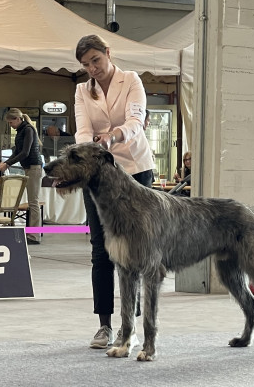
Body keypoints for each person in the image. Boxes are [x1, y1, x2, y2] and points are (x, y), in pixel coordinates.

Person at [74, 34, 154, 349]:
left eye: (95, 60)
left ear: (108, 53)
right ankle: (104, 325)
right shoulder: (82, 90)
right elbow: (82, 129)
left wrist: (112, 137)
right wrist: (87, 148)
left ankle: (128, 326)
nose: (92, 68)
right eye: (85, 64)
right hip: (96, 173)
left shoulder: (131, 80)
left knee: (131, 251)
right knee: (101, 249)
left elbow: (137, 121)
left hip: (135, 170)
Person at [0, 108, 42, 245]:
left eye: (11, 123)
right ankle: (31, 233)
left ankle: (34, 235)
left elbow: (25, 152)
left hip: (34, 167)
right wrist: (6, 162)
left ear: (18, 119)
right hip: (28, 167)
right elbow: (17, 151)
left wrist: (8, 164)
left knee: (33, 202)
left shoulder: (28, 129)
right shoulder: (21, 131)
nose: (10, 125)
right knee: (32, 201)